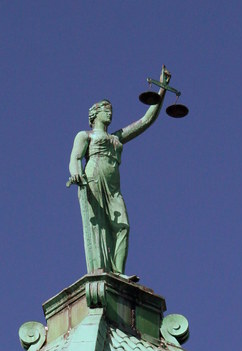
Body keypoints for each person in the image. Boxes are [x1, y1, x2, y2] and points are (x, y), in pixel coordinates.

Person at [68, 66, 171, 276]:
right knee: (99, 226)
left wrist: (162, 90)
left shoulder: (117, 137)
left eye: (111, 110)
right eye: (106, 109)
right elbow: (75, 158)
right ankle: (100, 270)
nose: (110, 112)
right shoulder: (85, 135)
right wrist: (76, 172)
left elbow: (146, 120)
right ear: (95, 113)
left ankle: (117, 272)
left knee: (123, 225)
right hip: (94, 178)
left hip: (113, 185)